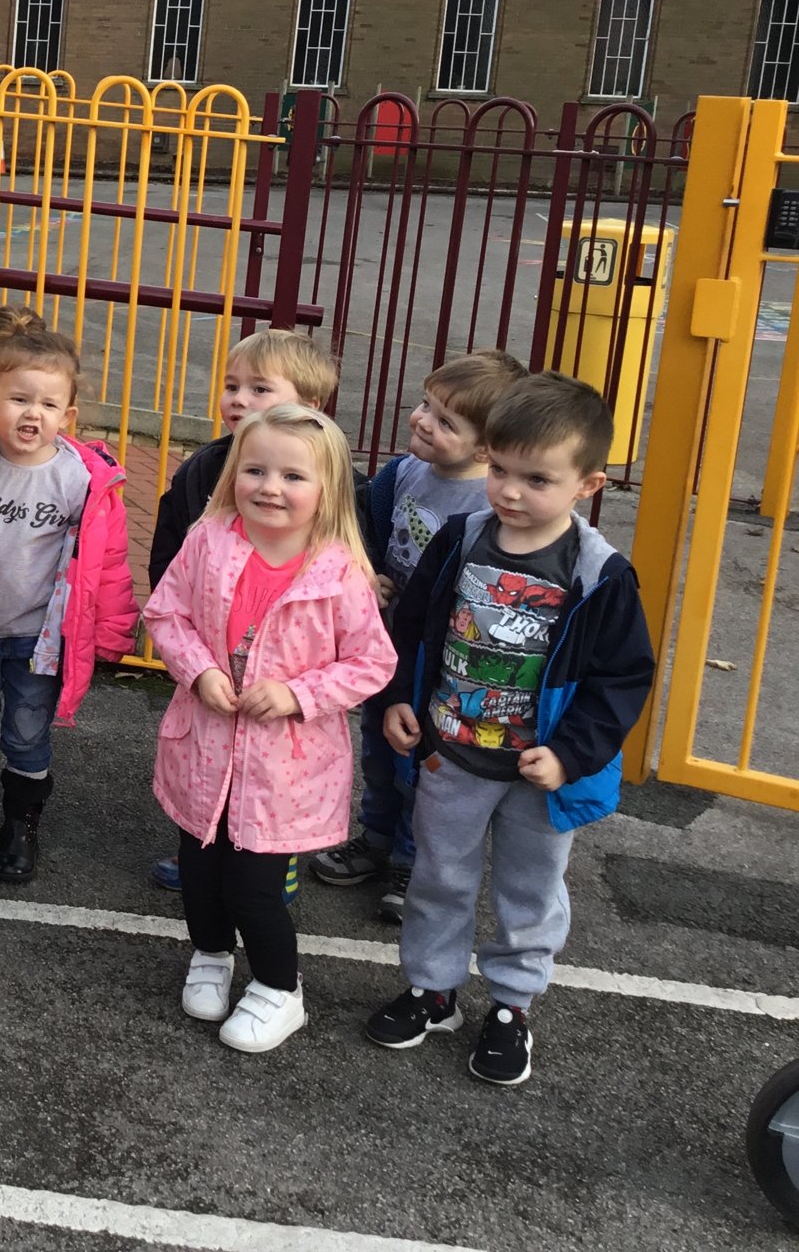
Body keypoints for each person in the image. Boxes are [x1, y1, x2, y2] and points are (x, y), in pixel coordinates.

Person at [365, 373, 654, 1087]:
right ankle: (433, 990)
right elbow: (413, 626)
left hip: (538, 771)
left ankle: (512, 1005)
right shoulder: (463, 539)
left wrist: (569, 753)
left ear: (588, 485)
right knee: (438, 873)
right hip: (454, 754)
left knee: (531, 890)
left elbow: (622, 679)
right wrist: (400, 696)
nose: (510, 491)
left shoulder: (599, 575)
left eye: (537, 479)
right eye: (499, 469)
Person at [143, 404, 395, 1053]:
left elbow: (373, 662)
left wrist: (295, 693)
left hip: (284, 768)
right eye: (254, 469)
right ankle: (210, 953)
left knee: (254, 887)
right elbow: (167, 614)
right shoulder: (209, 540)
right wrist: (198, 672)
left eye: (292, 476)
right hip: (203, 747)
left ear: (328, 490)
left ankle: (281, 989)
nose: (270, 487)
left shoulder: (339, 573)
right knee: (199, 871)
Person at [0, 305, 140, 883]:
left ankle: (21, 826)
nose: (32, 414)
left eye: (48, 405)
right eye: (19, 399)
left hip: (38, 642)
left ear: (67, 414)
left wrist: (113, 637)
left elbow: (110, 568)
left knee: (26, 732)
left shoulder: (81, 479)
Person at [313, 349, 526, 922]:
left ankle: (413, 858)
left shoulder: (488, 502)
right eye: (425, 405)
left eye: (445, 421)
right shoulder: (404, 473)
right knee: (380, 751)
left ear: (487, 449)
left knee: (425, 762)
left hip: (441, 658)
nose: (422, 421)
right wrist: (367, 571)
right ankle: (376, 837)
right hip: (387, 645)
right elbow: (369, 531)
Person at [145, 327, 342, 896]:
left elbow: (351, 563)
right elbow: (171, 555)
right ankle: (204, 845)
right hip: (214, 655)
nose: (239, 400)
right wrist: (186, 642)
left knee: (273, 773)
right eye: (233, 386)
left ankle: (271, 854)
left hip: (288, 670)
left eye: (260, 389)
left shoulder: (327, 476)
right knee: (208, 759)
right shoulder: (204, 467)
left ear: (308, 407)